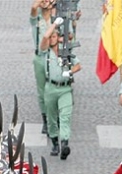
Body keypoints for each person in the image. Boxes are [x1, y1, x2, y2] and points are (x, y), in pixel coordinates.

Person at [40, 17, 81, 159]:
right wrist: (54, 25)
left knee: (65, 115)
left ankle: (64, 143)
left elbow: (78, 65)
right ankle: (55, 143)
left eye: (54, 36)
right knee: (52, 118)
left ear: (58, 38)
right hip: (51, 87)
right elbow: (45, 36)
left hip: (65, 88)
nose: (51, 38)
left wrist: (70, 72)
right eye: (51, 36)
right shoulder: (46, 52)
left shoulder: (66, 50)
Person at [30, 0, 54, 135]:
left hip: (53, 57)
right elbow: (33, 7)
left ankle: (54, 118)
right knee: (42, 91)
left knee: (53, 89)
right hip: (39, 58)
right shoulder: (36, 19)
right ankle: (45, 120)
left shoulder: (56, 20)